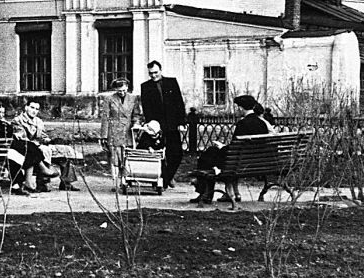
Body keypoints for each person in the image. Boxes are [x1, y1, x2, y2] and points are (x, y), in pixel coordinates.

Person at [191, 94, 272, 205]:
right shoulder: (261, 123)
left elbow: (234, 147)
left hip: (237, 162)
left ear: (240, 108)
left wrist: (222, 147)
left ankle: (205, 193)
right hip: (254, 162)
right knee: (211, 153)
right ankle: (204, 191)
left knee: (209, 154)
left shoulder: (242, 124)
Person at [139, 60, 187, 189]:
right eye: (150, 73)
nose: (153, 75)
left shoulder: (171, 82)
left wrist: (181, 122)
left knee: (177, 154)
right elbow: (146, 108)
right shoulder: (145, 86)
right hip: (156, 128)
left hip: (172, 125)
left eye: (155, 72)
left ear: (161, 70)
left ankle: (168, 176)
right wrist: (151, 126)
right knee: (157, 155)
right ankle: (163, 181)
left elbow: (179, 103)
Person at [12, 100, 60, 194]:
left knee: (65, 150)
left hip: (38, 145)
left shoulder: (38, 121)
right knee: (42, 150)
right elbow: (22, 137)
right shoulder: (18, 120)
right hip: (26, 146)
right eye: (32, 108)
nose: (34, 111)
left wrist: (48, 140)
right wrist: (39, 143)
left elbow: (42, 135)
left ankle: (66, 181)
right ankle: (42, 182)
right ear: (26, 108)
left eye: (37, 109)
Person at [100, 77, 140, 185]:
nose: (122, 93)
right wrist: (103, 135)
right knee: (114, 157)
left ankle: (125, 180)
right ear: (115, 90)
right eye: (119, 91)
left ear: (127, 87)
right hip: (113, 131)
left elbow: (136, 115)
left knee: (126, 156)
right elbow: (105, 117)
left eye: (124, 90)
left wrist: (135, 124)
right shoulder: (109, 99)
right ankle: (116, 183)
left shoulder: (133, 98)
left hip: (127, 131)